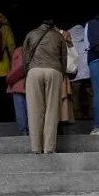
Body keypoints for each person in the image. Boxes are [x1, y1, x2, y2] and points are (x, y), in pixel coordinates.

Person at [22, 19, 68, 154]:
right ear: (53, 26)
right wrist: (62, 76)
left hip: (34, 72)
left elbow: (25, 59)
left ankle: (36, 148)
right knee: (52, 111)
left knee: (35, 111)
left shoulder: (31, 34)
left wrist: (27, 75)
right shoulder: (58, 36)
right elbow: (64, 59)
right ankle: (49, 148)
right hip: (54, 71)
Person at [6, 46, 29, 136]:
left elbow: (17, 68)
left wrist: (9, 79)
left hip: (17, 85)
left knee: (20, 110)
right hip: (31, 84)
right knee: (32, 110)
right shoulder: (38, 49)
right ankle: (32, 132)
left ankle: (23, 132)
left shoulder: (19, 50)